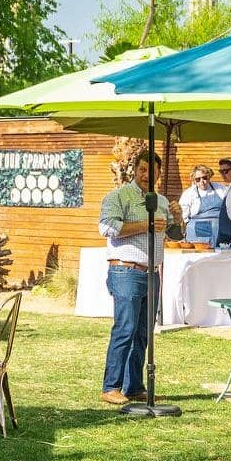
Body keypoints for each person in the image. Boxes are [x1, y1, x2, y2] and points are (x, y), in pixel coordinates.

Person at [97, 151, 164, 404]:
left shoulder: (162, 201)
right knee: (125, 329)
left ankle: (134, 386)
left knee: (143, 333)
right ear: (134, 170)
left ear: (159, 172)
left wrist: (178, 220)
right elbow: (107, 228)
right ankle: (110, 387)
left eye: (153, 170)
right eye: (143, 169)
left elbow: (175, 235)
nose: (148, 175)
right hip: (126, 271)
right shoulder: (118, 196)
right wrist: (145, 224)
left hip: (152, 273)